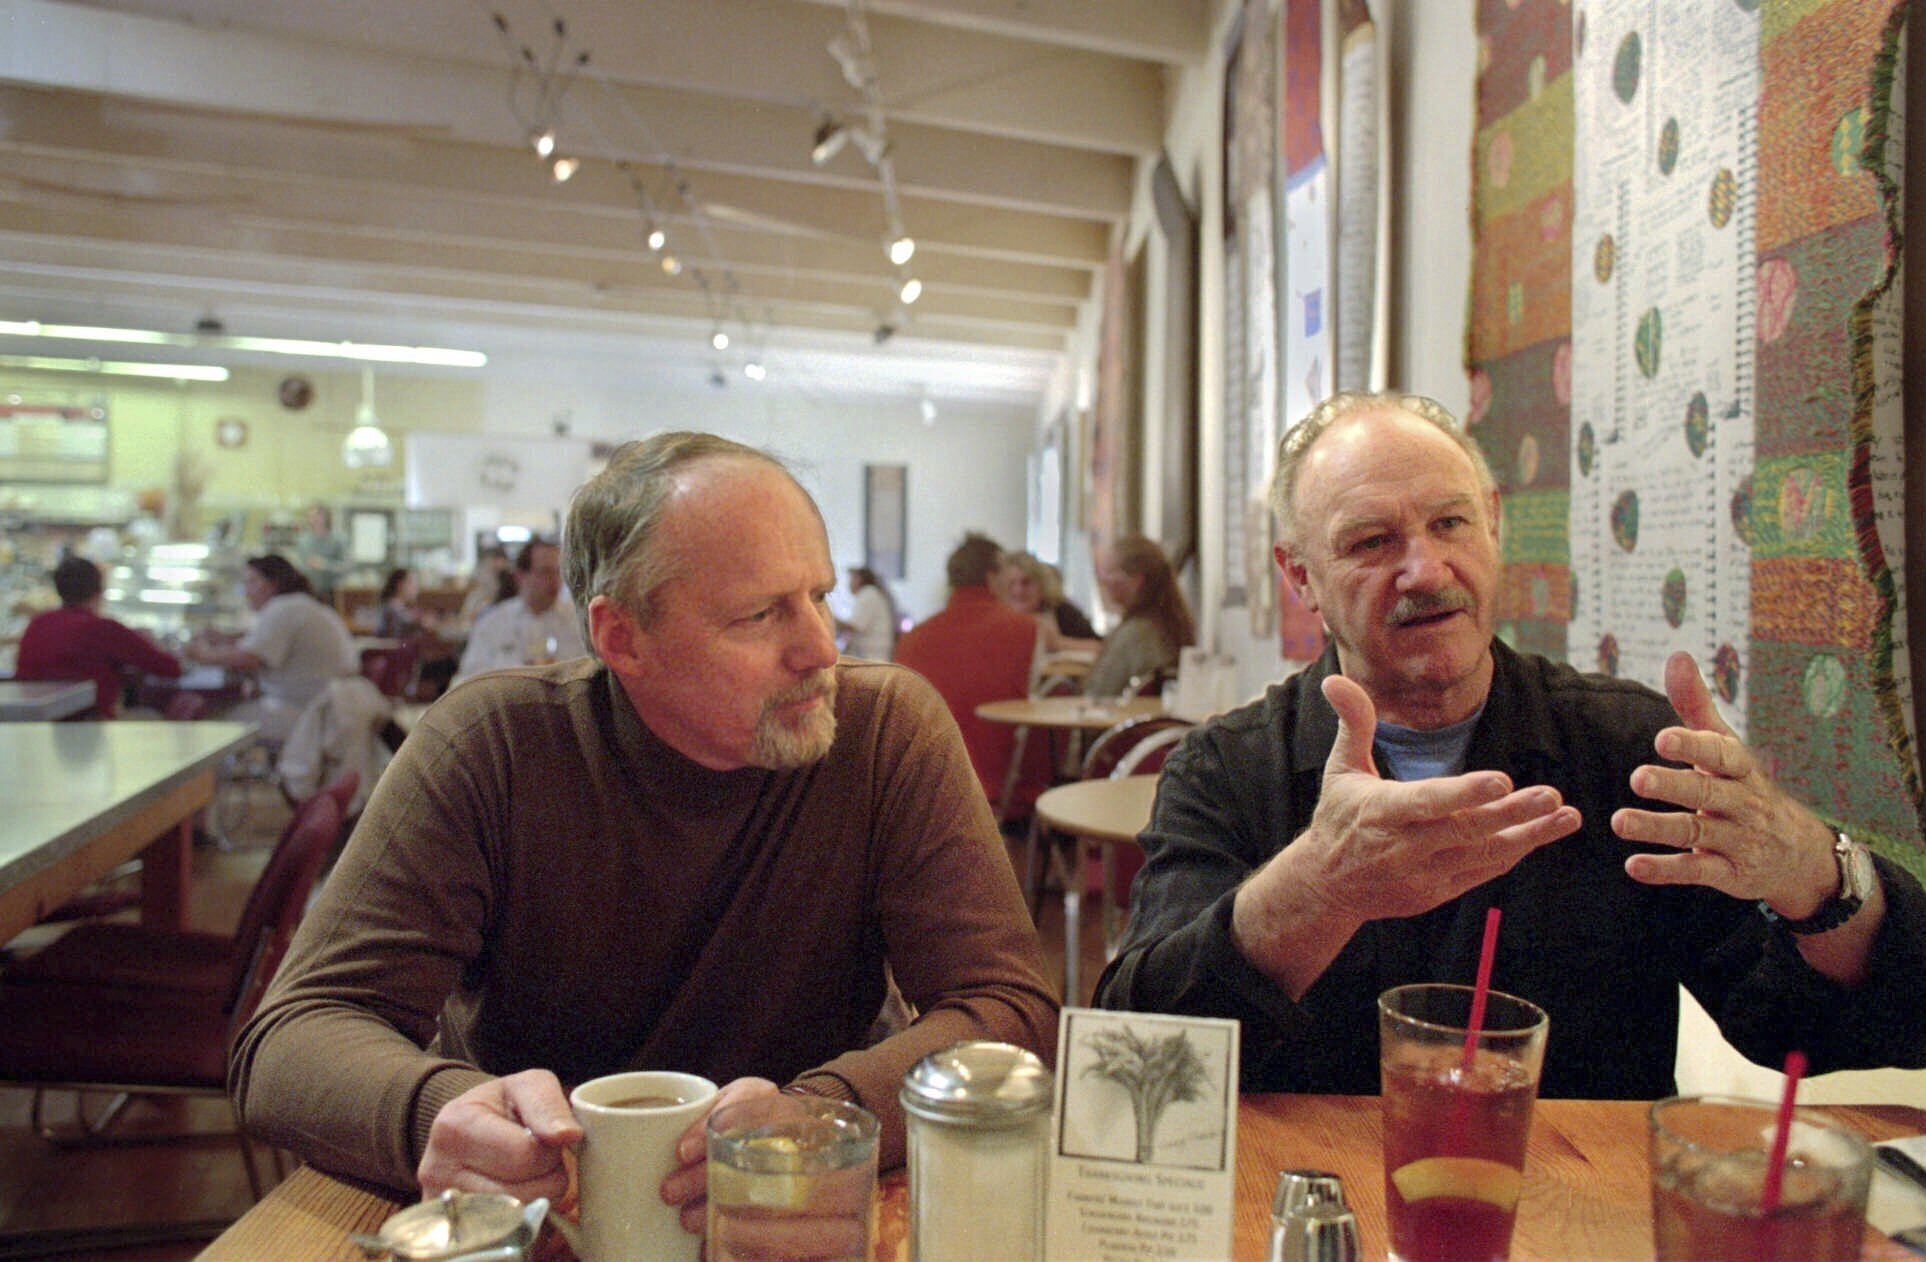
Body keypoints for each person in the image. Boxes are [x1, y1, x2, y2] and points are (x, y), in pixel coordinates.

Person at [228, 432, 1057, 1222]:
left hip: (800, 1202)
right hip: (546, 1204)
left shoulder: (883, 732)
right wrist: (436, 1115)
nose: (821, 649)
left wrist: (826, 1114)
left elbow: (1010, 1007)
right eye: (760, 615)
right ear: (621, 637)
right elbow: (293, 1036)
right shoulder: (495, 745)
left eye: (819, 596)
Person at [1094, 391, 1926, 1098]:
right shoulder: (1227, 770)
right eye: (1370, 542)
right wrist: (1318, 889)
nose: (1425, 568)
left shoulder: (1628, 749)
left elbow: (1824, 1031)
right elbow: (1135, 1060)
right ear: (1301, 575)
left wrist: (1815, 875)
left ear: (1492, 526)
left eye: (1450, 522)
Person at [894, 533, 1052, 816]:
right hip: (999, 788)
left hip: (921, 791)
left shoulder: (912, 639)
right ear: (992, 578)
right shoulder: (1026, 631)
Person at [185, 553, 358, 743]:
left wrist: (203, 655)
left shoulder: (283, 607)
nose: (246, 591)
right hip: (328, 708)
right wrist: (224, 638)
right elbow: (257, 641)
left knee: (212, 721)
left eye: (252, 582)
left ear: (272, 583)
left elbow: (250, 658)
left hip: (306, 712)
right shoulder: (302, 604)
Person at [14, 555, 182, 719]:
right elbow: (170, 668)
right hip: (92, 727)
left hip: (35, 727)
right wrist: (151, 641)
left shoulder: (37, 624)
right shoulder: (103, 629)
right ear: (100, 590)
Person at [454, 538, 587, 679]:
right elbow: (470, 677)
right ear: (520, 576)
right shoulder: (493, 622)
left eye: (558, 572)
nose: (554, 580)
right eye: (545, 572)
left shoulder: (578, 622)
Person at [1083, 535, 1195, 698]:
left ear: (1136, 580)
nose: (1103, 580)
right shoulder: (1168, 624)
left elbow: (1099, 694)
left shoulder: (1137, 634)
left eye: (1111, 571)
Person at [1000, 551, 1100, 650]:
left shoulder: (1062, 611)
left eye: (1026, 582)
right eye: (1011, 583)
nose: (1018, 591)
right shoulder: (998, 618)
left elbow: (1099, 647)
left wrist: (1058, 643)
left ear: (1041, 585)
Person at [837, 565, 898, 660]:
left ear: (859, 579)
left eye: (852, 579)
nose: (849, 583)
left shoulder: (868, 593)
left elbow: (854, 626)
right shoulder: (872, 593)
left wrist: (830, 619)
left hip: (871, 656)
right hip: (871, 654)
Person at [294, 503, 349, 603]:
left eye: (317, 515)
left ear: (326, 517)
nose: (314, 519)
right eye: (311, 516)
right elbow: (298, 566)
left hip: (332, 593)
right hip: (308, 592)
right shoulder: (303, 541)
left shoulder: (339, 540)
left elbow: (347, 566)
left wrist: (324, 564)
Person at [455, 545, 511, 635]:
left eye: (498, 573)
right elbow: (462, 625)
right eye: (489, 570)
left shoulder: (514, 601)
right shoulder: (475, 597)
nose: (493, 578)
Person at [374, 567, 439, 640]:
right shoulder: (390, 608)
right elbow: (401, 633)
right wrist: (421, 624)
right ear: (400, 585)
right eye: (412, 584)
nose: (416, 588)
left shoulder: (401, 608)